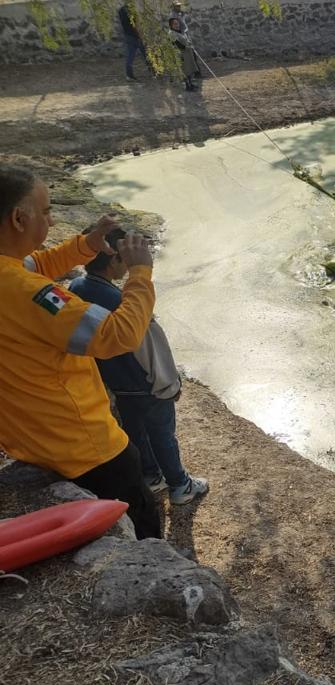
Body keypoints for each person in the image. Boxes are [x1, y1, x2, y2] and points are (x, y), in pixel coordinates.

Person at [0, 165, 163, 539]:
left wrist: (86, 244)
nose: (51, 218)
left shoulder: (10, 271)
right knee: (140, 520)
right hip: (85, 448)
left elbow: (34, 263)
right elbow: (116, 335)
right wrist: (140, 274)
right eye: (45, 211)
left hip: (31, 438)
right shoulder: (29, 293)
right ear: (18, 218)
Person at [69, 229, 208, 506]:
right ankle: (180, 485)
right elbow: (150, 348)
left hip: (117, 383)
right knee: (163, 435)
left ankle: (151, 476)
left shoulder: (76, 288)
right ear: (114, 261)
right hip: (144, 383)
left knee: (136, 432)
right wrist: (169, 384)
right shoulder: (123, 301)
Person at [170, 1, 202, 79]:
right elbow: (175, 27)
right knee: (187, 57)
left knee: (192, 55)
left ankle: (196, 72)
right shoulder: (172, 15)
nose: (179, 7)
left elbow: (183, 22)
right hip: (180, 37)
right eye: (177, 6)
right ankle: (191, 75)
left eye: (179, 6)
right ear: (174, 7)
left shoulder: (180, 13)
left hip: (185, 35)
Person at [118, 0, 148, 82]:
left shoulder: (121, 10)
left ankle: (129, 75)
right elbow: (135, 25)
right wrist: (141, 35)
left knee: (130, 55)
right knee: (145, 52)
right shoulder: (132, 11)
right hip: (135, 35)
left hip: (127, 35)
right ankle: (154, 71)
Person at [169, 17, 199, 91]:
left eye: (177, 23)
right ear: (171, 25)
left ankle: (191, 84)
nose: (177, 25)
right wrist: (188, 47)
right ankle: (187, 86)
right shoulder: (171, 33)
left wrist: (189, 43)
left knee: (189, 70)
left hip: (187, 54)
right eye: (175, 24)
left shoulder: (180, 31)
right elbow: (179, 45)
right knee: (185, 71)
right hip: (181, 54)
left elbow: (185, 40)